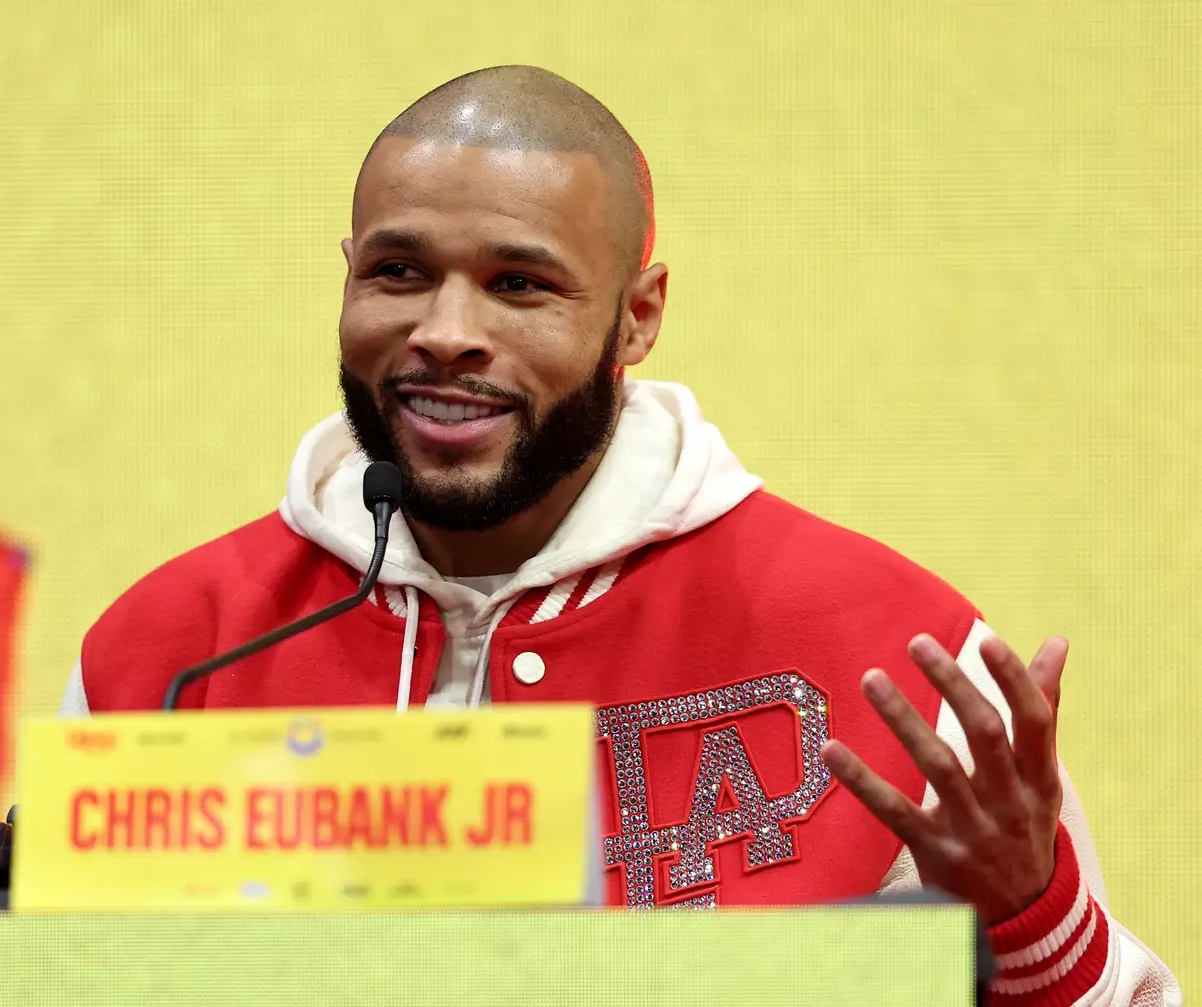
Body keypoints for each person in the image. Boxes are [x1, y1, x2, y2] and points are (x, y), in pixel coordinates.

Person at [61, 66, 1178, 1005]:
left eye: (519, 284)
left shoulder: (890, 652)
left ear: (635, 316)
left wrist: (1033, 918)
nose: (448, 332)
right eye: (399, 271)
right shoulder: (171, 655)